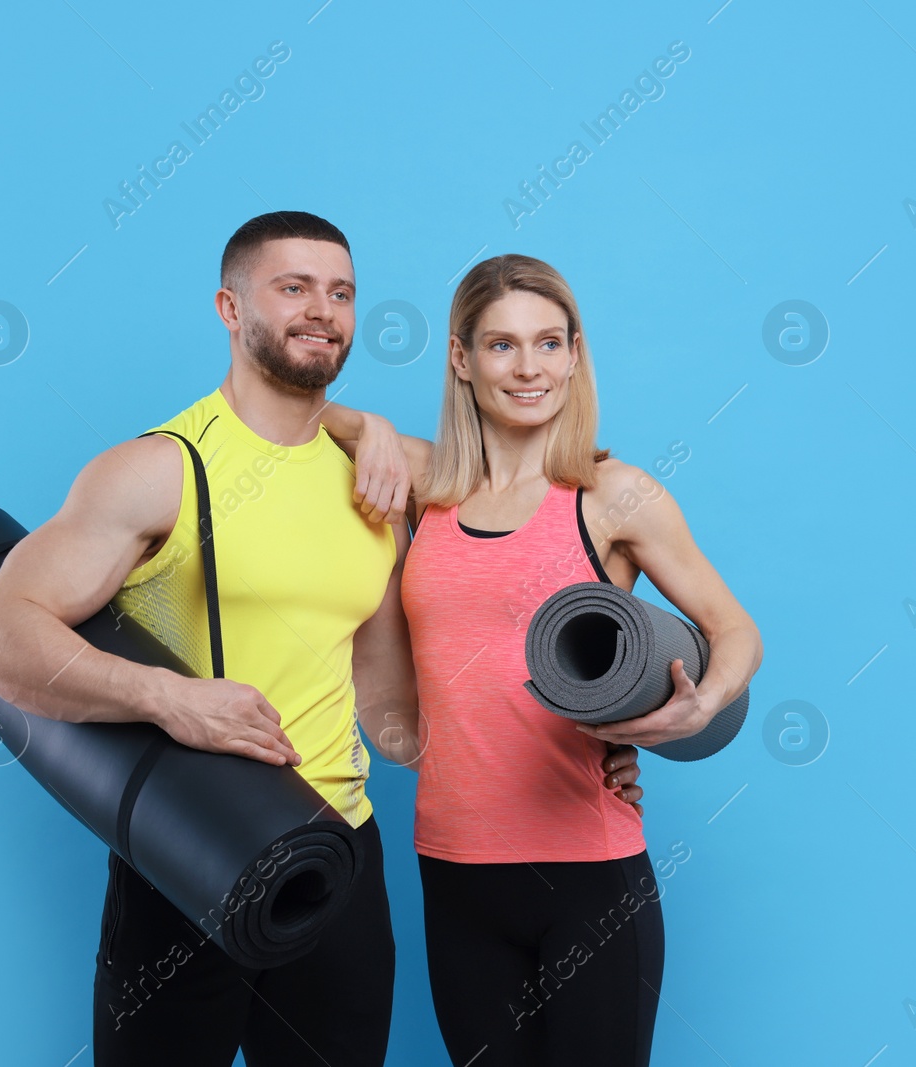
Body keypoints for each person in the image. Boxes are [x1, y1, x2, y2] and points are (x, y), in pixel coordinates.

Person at [0, 214, 644, 1066]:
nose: (323, 309)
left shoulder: (375, 481)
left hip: (338, 850)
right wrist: (168, 699)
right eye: (294, 287)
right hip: (191, 847)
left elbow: (394, 707)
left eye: (342, 292)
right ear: (229, 306)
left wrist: (585, 739)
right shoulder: (160, 469)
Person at [322, 253, 763, 1066]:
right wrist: (375, 429)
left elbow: (735, 630)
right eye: (501, 346)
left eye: (549, 343)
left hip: (589, 876)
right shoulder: (430, 485)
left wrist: (700, 706)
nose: (529, 368)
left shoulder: (614, 495)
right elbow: (308, 415)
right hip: (453, 870)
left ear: (574, 352)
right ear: (460, 358)